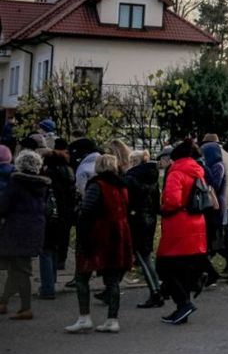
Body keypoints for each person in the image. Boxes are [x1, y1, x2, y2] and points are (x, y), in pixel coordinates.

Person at [67, 153, 133, 334]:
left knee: (82, 276)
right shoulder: (122, 186)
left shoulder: (97, 185)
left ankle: (84, 317)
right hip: (118, 234)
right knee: (112, 280)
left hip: (97, 234)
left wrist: (78, 217)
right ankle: (112, 320)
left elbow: (87, 210)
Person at [156, 140, 207, 325]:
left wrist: (161, 208)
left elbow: (173, 201)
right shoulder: (198, 171)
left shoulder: (176, 172)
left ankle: (184, 304)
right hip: (196, 222)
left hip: (178, 224)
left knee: (164, 266)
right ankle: (182, 308)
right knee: (183, 269)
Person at [0, 149, 51, 320]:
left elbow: (4, 206)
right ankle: (3, 301)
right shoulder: (42, 185)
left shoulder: (16, 183)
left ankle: (25, 308)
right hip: (36, 228)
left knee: (20, 269)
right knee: (18, 267)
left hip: (16, 228)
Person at [124, 150, 163, 309]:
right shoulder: (153, 177)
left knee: (142, 256)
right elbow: (156, 203)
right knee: (145, 255)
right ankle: (157, 290)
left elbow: (126, 201)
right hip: (149, 218)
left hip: (135, 219)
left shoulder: (130, 178)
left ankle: (155, 292)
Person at [38, 143, 76, 301]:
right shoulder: (68, 177)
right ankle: (51, 281)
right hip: (64, 217)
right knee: (54, 249)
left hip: (50, 218)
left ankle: (47, 287)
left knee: (46, 251)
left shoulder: (47, 179)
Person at [205, 134, 228, 278]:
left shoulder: (216, 161)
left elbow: (214, 183)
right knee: (225, 234)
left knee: (218, 236)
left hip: (217, 202)